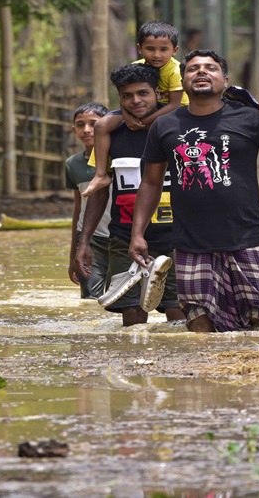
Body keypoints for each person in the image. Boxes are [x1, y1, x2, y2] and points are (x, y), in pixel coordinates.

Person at [128, 50, 259, 332]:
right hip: (190, 242)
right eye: (193, 69)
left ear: (224, 80)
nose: (201, 72)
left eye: (210, 68)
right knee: (199, 322)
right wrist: (137, 234)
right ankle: (204, 376)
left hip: (245, 236)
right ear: (183, 81)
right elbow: (151, 182)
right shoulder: (165, 125)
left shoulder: (249, 118)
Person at [76, 64, 186, 327]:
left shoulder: (178, 129)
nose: (136, 101)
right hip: (124, 237)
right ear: (119, 98)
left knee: (179, 315)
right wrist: (85, 242)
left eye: (143, 93)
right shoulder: (111, 135)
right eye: (127, 96)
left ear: (157, 93)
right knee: (132, 317)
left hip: (177, 238)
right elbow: (101, 190)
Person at [82, 21, 190, 197]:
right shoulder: (137, 66)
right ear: (140, 48)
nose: (156, 55)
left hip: (174, 111)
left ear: (175, 50)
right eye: (150, 49)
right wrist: (126, 116)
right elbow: (125, 95)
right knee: (102, 125)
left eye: (163, 50)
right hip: (141, 111)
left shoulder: (175, 71)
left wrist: (143, 121)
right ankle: (101, 174)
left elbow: (174, 104)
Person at [65, 102, 110, 298]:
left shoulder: (120, 157)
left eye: (93, 124)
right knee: (91, 298)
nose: (87, 130)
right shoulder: (72, 164)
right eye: (80, 124)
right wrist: (72, 256)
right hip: (89, 239)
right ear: (74, 129)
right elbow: (78, 210)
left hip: (121, 237)